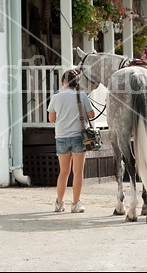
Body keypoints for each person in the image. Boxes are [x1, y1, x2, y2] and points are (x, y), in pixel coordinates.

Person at [47, 69, 95, 213]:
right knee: (78, 172)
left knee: (63, 172)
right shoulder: (82, 96)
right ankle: (75, 203)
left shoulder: (56, 97)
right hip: (78, 137)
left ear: (63, 82)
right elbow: (91, 115)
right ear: (77, 82)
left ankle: (59, 203)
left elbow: (51, 118)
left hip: (61, 137)